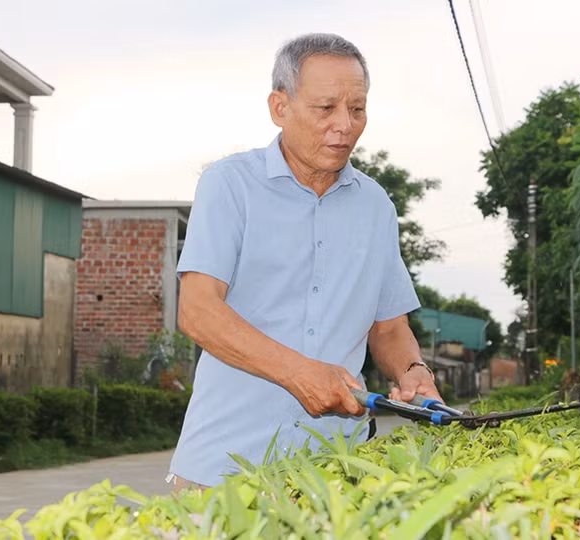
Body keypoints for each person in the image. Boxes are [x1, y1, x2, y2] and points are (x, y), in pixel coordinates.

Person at [167, 32, 442, 490]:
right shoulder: (229, 186)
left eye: (357, 109)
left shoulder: (376, 206)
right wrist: (298, 373)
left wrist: (414, 372)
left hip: (339, 473)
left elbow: (389, 329)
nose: (345, 125)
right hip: (223, 469)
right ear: (280, 107)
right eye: (326, 107)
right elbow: (197, 311)